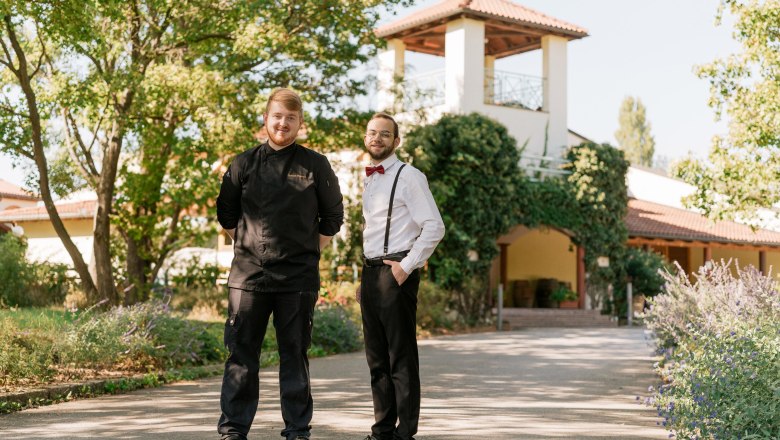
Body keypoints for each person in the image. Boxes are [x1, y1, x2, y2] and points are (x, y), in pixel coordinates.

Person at [216, 88, 344, 440]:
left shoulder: (316, 165)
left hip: (297, 280)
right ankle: (233, 430)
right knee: (241, 358)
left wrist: (307, 250)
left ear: (300, 123)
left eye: (291, 117)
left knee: (294, 357)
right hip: (248, 279)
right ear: (266, 119)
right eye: (277, 116)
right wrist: (248, 245)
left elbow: (332, 218)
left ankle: (297, 431)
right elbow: (226, 215)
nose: (283, 123)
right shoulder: (242, 163)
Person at [356, 113, 445, 440]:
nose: (376, 138)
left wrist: (406, 266)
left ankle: (405, 434)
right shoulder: (370, 179)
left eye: (384, 134)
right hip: (371, 274)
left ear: (396, 141)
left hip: (396, 273)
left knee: (401, 360)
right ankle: (382, 431)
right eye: (371, 133)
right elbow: (373, 232)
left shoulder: (410, 177)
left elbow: (434, 226)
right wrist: (363, 278)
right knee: (377, 361)